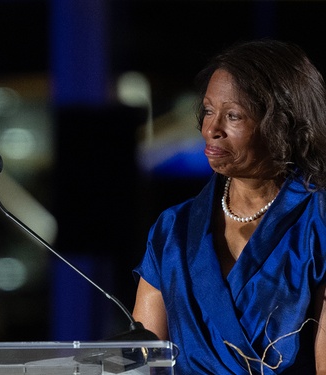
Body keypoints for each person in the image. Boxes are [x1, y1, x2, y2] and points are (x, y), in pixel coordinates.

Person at [132, 39, 326, 374]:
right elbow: (141, 363)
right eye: (208, 111)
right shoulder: (173, 230)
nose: (211, 129)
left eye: (233, 115)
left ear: (281, 123)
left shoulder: (317, 221)